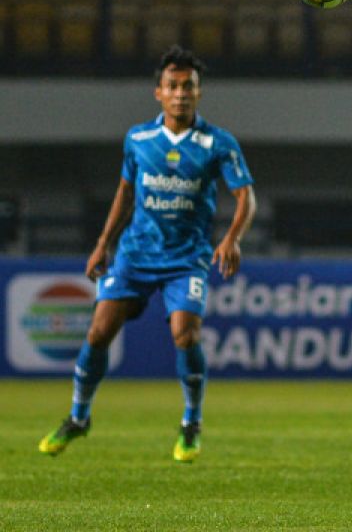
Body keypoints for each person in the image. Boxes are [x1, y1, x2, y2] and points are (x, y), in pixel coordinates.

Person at [37, 46, 256, 463]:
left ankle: (191, 423)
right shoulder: (139, 139)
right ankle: (78, 417)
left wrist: (232, 239)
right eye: (172, 86)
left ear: (199, 92)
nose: (180, 94)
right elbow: (125, 192)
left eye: (188, 86)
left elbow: (247, 198)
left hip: (187, 257)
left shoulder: (217, 143)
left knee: (184, 333)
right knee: (99, 332)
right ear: (158, 92)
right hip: (135, 254)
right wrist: (103, 243)